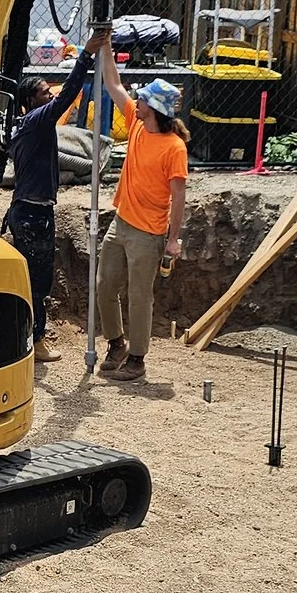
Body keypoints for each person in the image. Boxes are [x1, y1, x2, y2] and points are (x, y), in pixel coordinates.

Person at [90, 59, 188, 382]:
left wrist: (172, 239)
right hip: (121, 222)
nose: (137, 99)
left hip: (149, 233)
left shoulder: (174, 148)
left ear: (154, 108)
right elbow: (113, 85)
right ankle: (116, 343)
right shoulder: (135, 122)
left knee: (140, 295)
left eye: (143, 97)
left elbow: (178, 197)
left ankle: (136, 359)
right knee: (104, 284)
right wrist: (105, 44)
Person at [0, 47, 92, 363]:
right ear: (30, 101)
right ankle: (35, 341)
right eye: (43, 93)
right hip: (33, 214)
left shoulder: (24, 126)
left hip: (27, 210)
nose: (50, 95)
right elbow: (67, 96)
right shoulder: (37, 122)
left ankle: (24, 337)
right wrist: (86, 56)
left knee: (29, 277)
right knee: (38, 281)